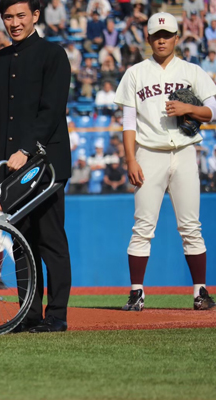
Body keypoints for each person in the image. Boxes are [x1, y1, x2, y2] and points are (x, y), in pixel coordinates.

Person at [0, 0, 72, 333]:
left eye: (20, 16)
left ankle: (56, 315)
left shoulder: (53, 54)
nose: (14, 23)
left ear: (36, 16)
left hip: (46, 165)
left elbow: (52, 110)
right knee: (21, 242)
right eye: (8, 17)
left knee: (50, 241)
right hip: (13, 168)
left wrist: (27, 149)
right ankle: (28, 314)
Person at [114, 12, 216, 312]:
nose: (162, 39)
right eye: (157, 35)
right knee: (143, 226)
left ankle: (200, 291)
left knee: (191, 226)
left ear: (176, 37)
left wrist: (188, 108)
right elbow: (128, 121)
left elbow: (212, 108)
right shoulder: (135, 73)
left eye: (167, 34)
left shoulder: (192, 71)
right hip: (148, 153)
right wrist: (131, 159)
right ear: (148, 38)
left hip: (184, 152)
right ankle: (136, 292)